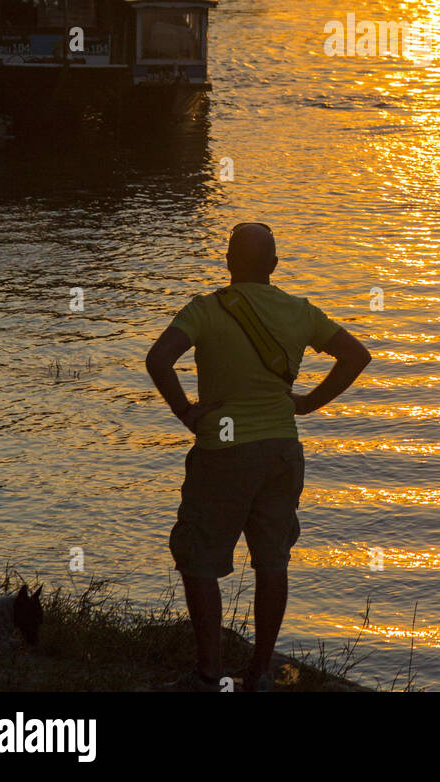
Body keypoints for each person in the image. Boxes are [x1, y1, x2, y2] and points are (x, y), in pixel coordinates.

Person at [145, 222, 371, 692]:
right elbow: (355, 356)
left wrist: (186, 411)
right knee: (272, 561)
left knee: (200, 561)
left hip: (222, 453)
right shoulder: (299, 311)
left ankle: (209, 675)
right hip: (280, 452)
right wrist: (307, 402)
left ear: (228, 263)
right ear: (273, 264)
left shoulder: (205, 310)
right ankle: (261, 674)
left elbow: (158, 359)